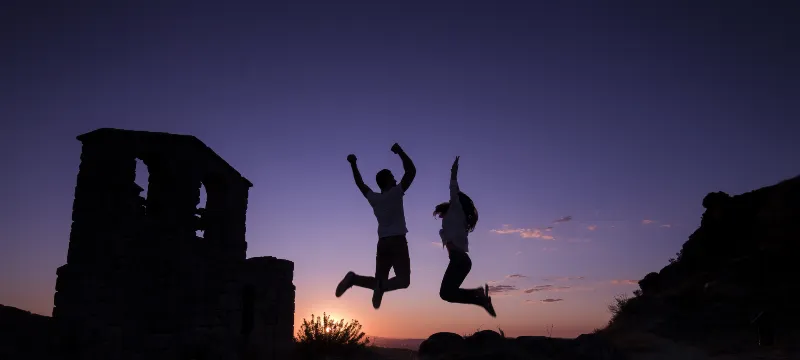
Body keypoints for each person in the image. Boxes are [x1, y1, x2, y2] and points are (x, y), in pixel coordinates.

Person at [335, 143, 416, 309]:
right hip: (397, 242)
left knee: (379, 282)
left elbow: (360, 183)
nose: (395, 179)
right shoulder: (396, 193)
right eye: (393, 177)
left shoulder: (375, 199)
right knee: (403, 281)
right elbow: (411, 171)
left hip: (382, 244)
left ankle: (356, 280)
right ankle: (376, 289)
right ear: (388, 181)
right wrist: (400, 151)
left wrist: (353, 164)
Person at [434, 156, 496, 317]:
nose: (440, 217)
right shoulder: (457, 221)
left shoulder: (456, 209)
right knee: (447, 293)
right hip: (461, 261)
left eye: (441, 213)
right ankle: (480, 297)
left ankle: (479, 296)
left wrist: (453, 170)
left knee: (445, 293)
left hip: (460, 260)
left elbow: (453, 187)